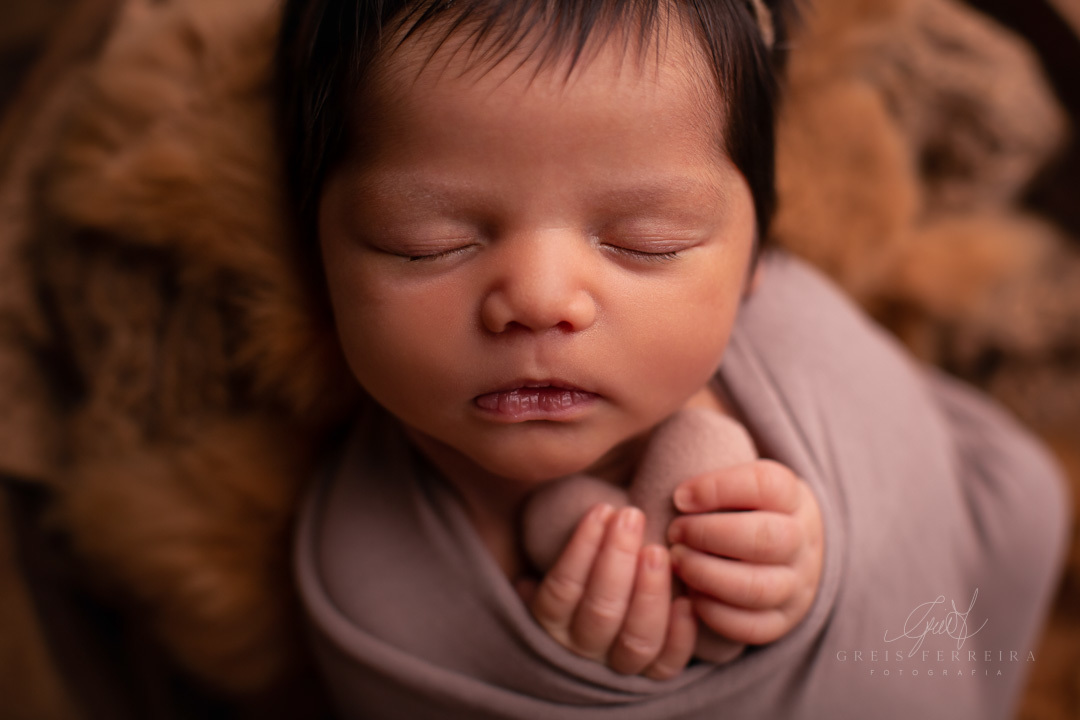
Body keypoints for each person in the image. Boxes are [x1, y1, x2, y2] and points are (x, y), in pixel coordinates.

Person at [276, 1, 1071, 718]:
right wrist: (590, 675)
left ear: (756, 254)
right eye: (428, 243)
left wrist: (808, 562)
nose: (543, 299)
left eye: (644, 242)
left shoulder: (790, 328)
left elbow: (942, 486)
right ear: (316, 251)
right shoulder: (363, 568)